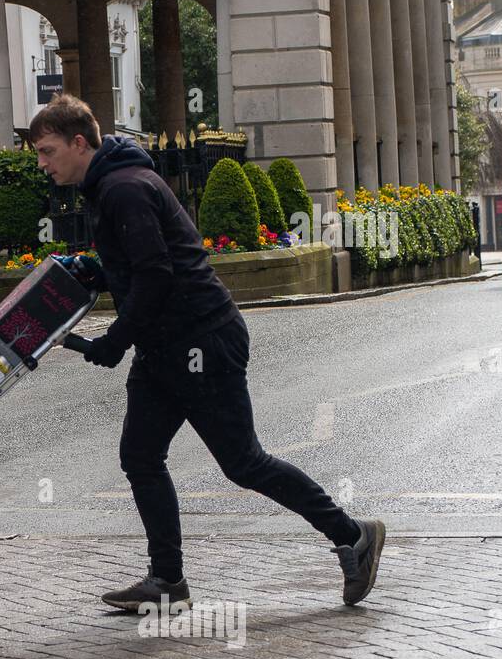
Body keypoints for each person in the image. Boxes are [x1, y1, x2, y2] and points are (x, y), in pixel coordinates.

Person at [30, 94, 385, 610]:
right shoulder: (114, 184)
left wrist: (114, 340)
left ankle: (352, 533)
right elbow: (143, 264)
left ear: (79, 143)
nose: (43, 163)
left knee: (244, 462)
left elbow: (156, 274)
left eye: (47, 150)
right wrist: (97, 272)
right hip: (166, 344)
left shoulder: (125, 188)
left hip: (202, 339)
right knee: (141, 456)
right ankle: (167, 582)